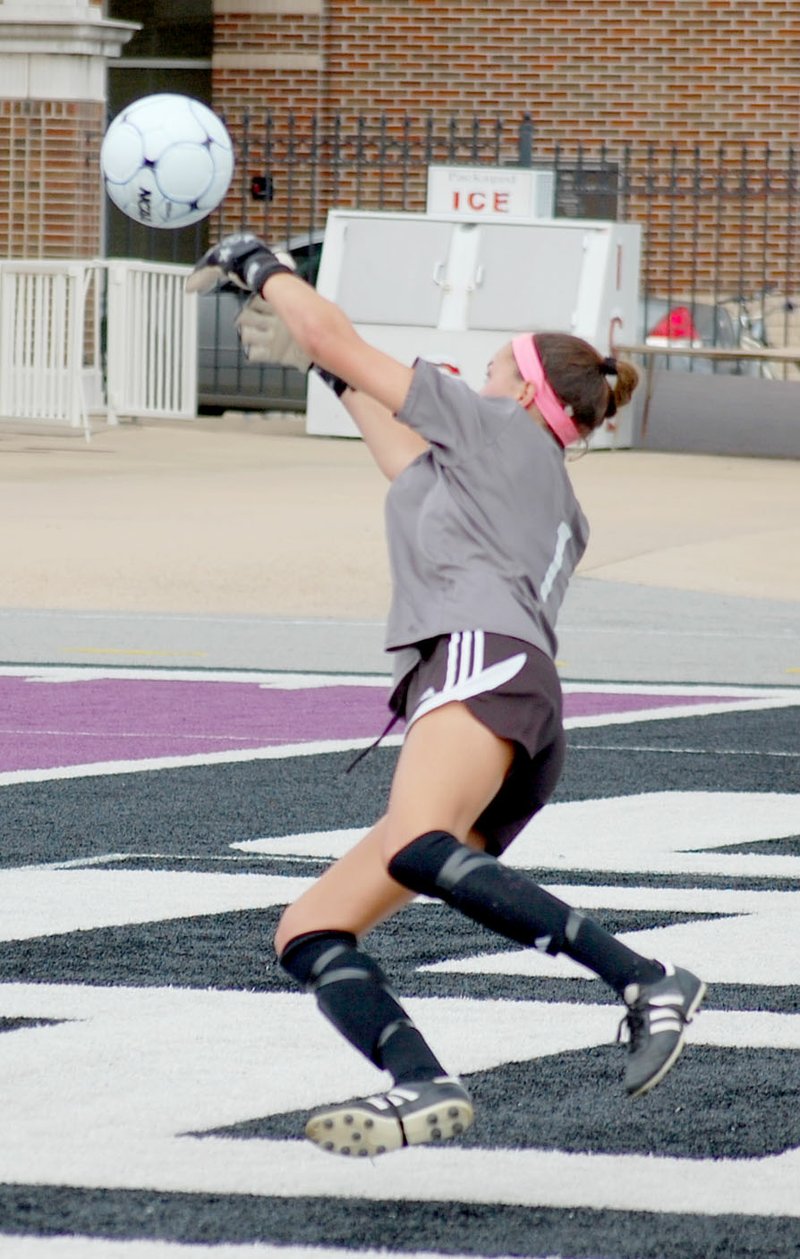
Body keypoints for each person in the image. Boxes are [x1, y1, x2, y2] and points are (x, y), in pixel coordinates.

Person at [188, 235, 707, 1159]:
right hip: (513, 695)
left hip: (482, 666)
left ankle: (644, 976)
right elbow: (399, 459)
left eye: (497, 363)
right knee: (310, 927)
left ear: (521, 391)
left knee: (419, 841)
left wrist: (265, 267)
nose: (480, 372)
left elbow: (347, 342)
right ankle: (420, 1081)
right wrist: (323, 363)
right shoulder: (520, 469)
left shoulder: (497, 427)